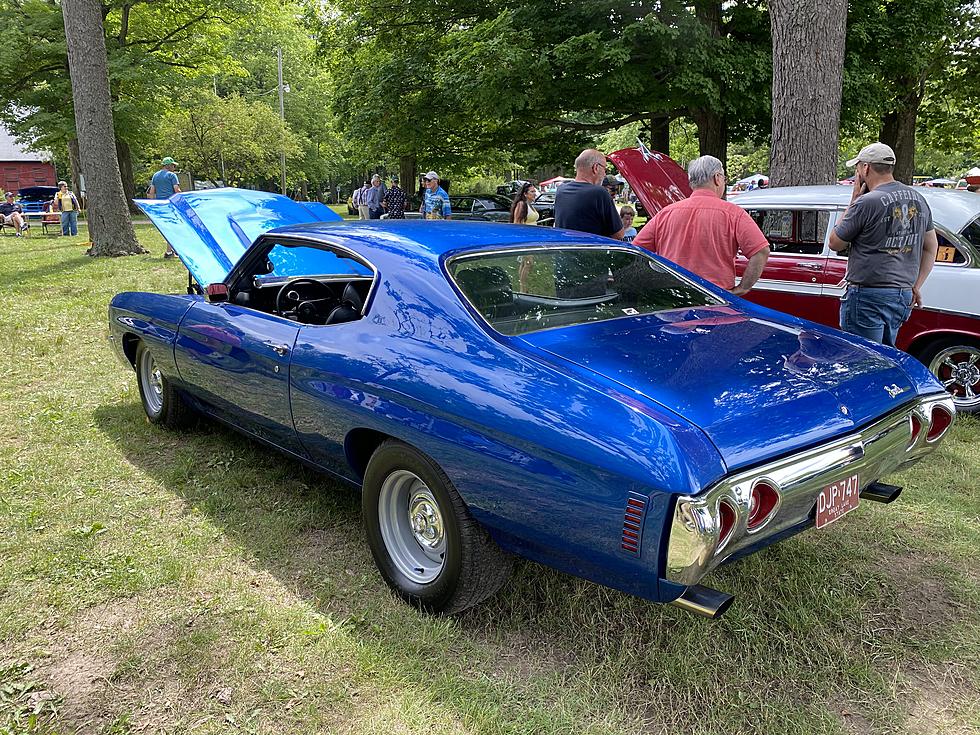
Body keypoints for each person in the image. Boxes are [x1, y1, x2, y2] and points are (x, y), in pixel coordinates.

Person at [829, 142, 938, 347]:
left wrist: (854, 199)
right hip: (902, 295)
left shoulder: (867, 202)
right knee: (886, 358)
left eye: (858, 167)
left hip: (868, 296)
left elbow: (835, 242)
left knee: (862, 360)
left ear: (866, 168)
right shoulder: (918, 198)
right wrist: (915, 285)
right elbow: (931, 246)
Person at [633, 155, 770, 295]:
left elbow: (635, 249)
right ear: (717, 178)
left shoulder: (666, 213)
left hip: (671, 298)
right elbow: (761, 251)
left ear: (691, 182)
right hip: (715, 298)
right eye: (724, 178)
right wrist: (743, 287)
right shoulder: (734, 214)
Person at [554, 149, 624, 239]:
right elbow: (618, 234)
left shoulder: (561, 190)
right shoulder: (599, 193)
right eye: (604, 169)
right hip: (591, 250)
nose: (604, 174)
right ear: (595, 168)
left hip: (565, 249)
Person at [148, 156, 181, 257]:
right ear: (169, 165)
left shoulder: (155, 176)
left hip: (160, 205)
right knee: (173, 228)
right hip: (170, 204)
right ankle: (169, 252)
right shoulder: (172, 175)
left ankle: (171, 250)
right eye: (173, 166)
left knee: (167, 228)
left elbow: (151, 192)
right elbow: (177, 190)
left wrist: (152, 206)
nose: (174, 168)